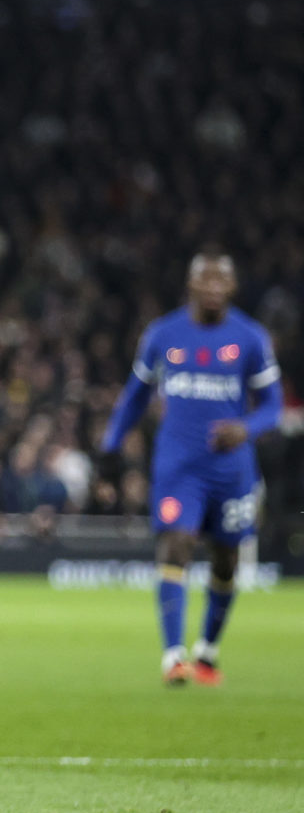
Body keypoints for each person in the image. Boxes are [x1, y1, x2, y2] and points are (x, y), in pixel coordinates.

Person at [99, 252, 282, 686]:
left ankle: (208, 651)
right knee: (176, 544)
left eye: (223, 278)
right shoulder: (163, 334)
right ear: (191, 283)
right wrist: (109, 445)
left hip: (232, 470)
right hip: (178, 468)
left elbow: (273, 406)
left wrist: (247, 427)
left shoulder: (251, 338)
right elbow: (135, 397)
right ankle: (173, 656)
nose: (214, 286)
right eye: (206, 278)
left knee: (225, 560)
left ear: (233, 287)